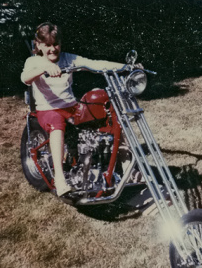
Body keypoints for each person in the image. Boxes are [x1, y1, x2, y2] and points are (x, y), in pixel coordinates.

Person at [21, 22, 125, 196]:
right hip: (48, 109)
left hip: (71, 106)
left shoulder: (68, 58)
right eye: (47, 45)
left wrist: (125, 67)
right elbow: (25, 78)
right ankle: (60, 179)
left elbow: (95, 64)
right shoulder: (33, 61)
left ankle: (124, 164)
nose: (53, 49)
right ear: (38, 45)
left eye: (56, 44)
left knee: (107, 111)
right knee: (56, 121)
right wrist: (44, 67)